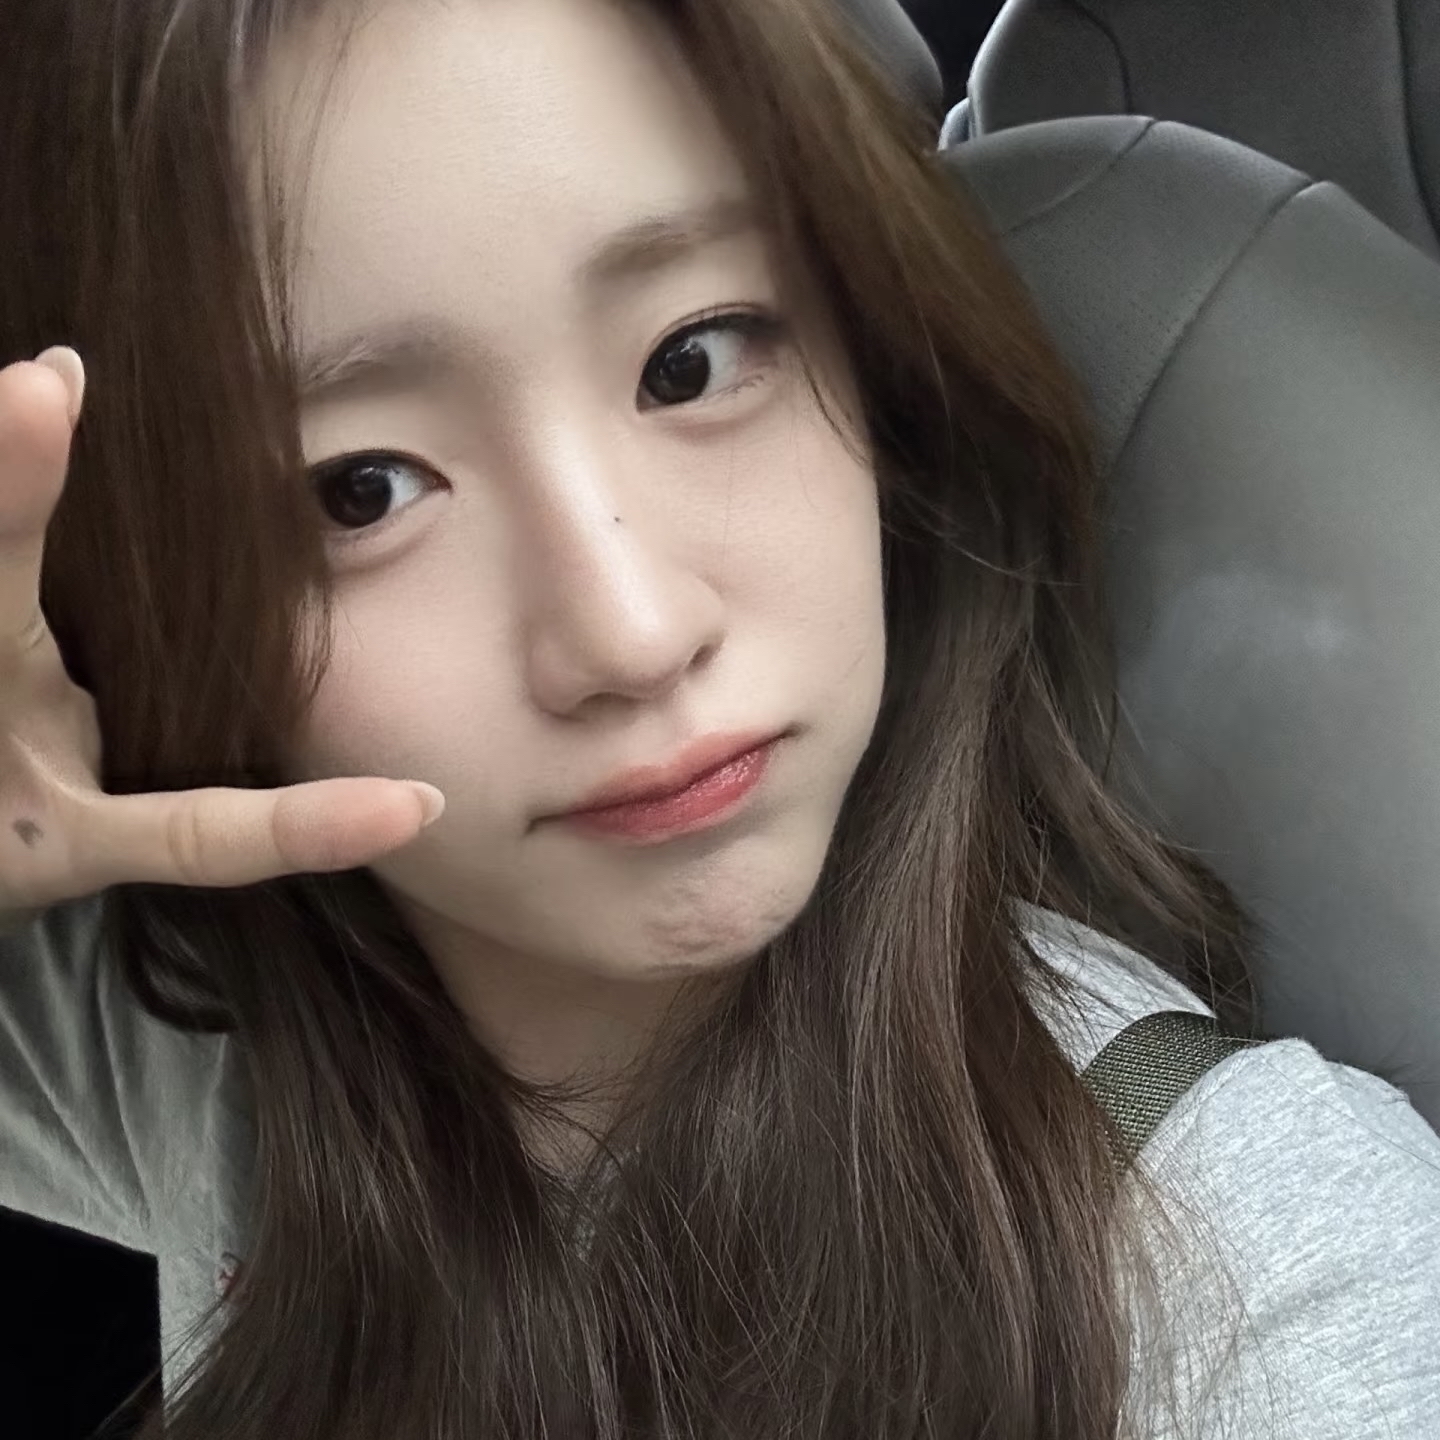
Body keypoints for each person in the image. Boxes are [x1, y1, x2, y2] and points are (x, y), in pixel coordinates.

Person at [0, 0, 1435, 1436]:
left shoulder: (1253, 1275)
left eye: (691, 360)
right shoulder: (218, 1048)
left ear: (880, 364)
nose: (630, 633)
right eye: (356, 492)